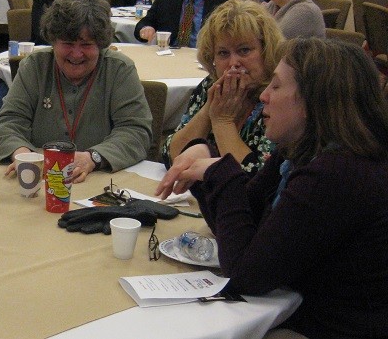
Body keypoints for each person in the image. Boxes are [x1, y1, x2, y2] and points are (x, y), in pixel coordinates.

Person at [156, 38, 388, 339]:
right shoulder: (300, 152)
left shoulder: (337, 173)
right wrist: (206, 168)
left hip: (330, 327)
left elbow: (245, 274)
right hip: (301, 309)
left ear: (313, 100)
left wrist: (220, 172)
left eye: (276, 87)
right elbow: (240, 227)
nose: (264, 95)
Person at [0, 0, 152, 183]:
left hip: (100, 180)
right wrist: (22, 153)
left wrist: (93, 157)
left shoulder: (119, 70)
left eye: (86, 44)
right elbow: (8, 122)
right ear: (52, 41)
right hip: (40, 180)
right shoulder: (34, 67)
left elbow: (136, 131)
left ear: (101, 44)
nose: (76, 54)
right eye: (67, 43)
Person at [161, 0, 283, 176]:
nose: (233, 63)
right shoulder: (210, 87)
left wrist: (222, 121)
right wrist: (209, 109)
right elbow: (172, 157)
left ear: (266, 50)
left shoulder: (275, 97)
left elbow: (254, 179)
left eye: (244, 50)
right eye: (223, 53)